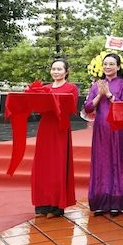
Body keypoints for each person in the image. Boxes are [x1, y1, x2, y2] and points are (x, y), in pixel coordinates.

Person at [84, 53, 123, 216]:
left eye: (111, 64)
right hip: (101, 129)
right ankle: (100, 201)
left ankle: (116, 202)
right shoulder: (97, 84)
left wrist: (110, 95)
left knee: (117, 162)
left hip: (118, 129)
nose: (108, 67)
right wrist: (100, 94)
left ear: (118, 67)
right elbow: (88, 108)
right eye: (105, 64)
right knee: (101, 163)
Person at [32, 59, 79, 218]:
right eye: (53, 69)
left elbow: (71, 108)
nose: (56, 72)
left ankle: (56, 206)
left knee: (58, 165)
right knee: (43, 165)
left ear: (66, 72)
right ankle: (42, 205)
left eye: (59, 69)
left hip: (60, 127)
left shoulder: (71, 88)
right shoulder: (45, 88)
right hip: (45, 127)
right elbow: (38, 108)